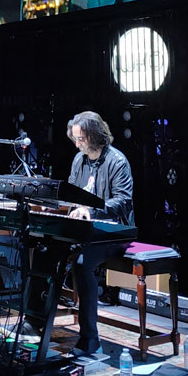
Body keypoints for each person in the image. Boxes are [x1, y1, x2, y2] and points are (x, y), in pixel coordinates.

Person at [65, 110, 134, 356]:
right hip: (87, 230)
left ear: (94, 136)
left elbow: (122, 202)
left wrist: (90, 210)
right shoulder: (78, 160)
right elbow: (71, 193)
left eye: (80, 139)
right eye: (75, 139)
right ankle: (36, 322)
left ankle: (90, 339)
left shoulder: (117, 161)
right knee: (44, 249)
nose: (77, 144)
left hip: (115, 233)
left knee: (82, 263)